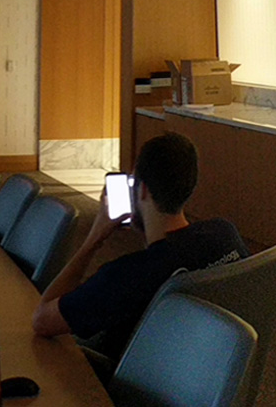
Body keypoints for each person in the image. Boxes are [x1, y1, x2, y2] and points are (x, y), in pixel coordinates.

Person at [31, 131, 246, 362]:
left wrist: (93, 240)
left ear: (142, 190)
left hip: (126, 382)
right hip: (202, 368)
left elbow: (42, 320)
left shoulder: (125, 277)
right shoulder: (225, 235)